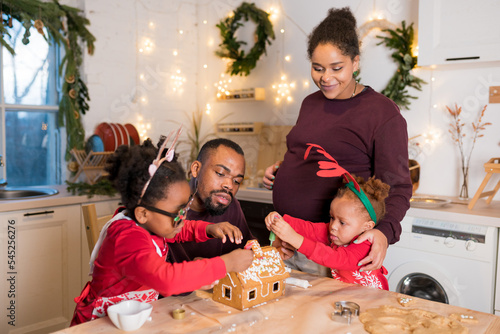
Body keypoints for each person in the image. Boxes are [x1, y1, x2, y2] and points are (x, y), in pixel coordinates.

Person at [262, 7, 412, 276]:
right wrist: (281, 170)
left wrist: (384, 232)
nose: (326, 77)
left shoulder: (382, 113)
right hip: (288, 240)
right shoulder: (310, 103)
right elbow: (309, 152)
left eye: (337, 68)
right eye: (317, 68)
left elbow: (398, 186)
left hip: (330, 251)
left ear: (356, 62)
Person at [71, 134, 254, 325]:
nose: (182, 220)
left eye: (185, 210)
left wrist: (208, 229)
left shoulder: (154, 224)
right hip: (100, 324)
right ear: (143, 214)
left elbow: (182, 229)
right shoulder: (127, 236)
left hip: (133, 318)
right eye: (177, 214)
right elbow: (166, 279)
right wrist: (226, 264)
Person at [265, 175, 390, 290]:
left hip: (372, 298)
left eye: (342, 222)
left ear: (367, 226)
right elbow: (311, 229)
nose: (333, 226)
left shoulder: (364, 247)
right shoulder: (338, 233)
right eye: (332, 217)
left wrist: (294, 239)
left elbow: (333, 258)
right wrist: (282, 220)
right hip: (349, 293)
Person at [167, 138, 254, 263]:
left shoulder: (231, 205)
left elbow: (250, 250)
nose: (229, 185)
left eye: (237, 181)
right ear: (196, 169)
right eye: (220, 173)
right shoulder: (165, 205)